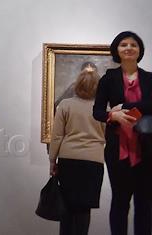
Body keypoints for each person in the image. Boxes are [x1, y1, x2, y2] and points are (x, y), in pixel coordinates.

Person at [94, 31, 152, 235]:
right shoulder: (108, 79)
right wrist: (113, 115)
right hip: (118, 149)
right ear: (116, 50)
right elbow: (97, 112)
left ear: (140, 50)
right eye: (123, 44)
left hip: (147, 149)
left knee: (145, 203)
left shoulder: (149, 78)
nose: (129, 48)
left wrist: (124, 106)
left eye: (133, 45)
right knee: (120, 201)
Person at [51, 67, 105, 235]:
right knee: (84, 209)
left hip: (69, 160)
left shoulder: (65, 105)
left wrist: (52, 161)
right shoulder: (102, 109)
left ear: (77, 84)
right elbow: (108, 135)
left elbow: (56, 136)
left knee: (66, 206)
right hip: (93, 163)